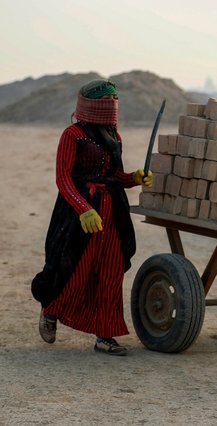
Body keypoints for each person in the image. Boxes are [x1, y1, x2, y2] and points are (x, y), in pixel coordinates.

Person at [31, 79, 152, 356]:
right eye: (106, 100)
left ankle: (105, 336)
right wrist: (83, 208)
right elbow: (63, 178)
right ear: (92, 104)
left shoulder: (114, 136)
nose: (111, 105)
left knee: (110, 273)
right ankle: (51, 311)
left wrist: (133, 178)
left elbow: (114, 176)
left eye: (114, 99)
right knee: (73, 269)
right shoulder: (72, 135)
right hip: (77, 218)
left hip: (112, 217)